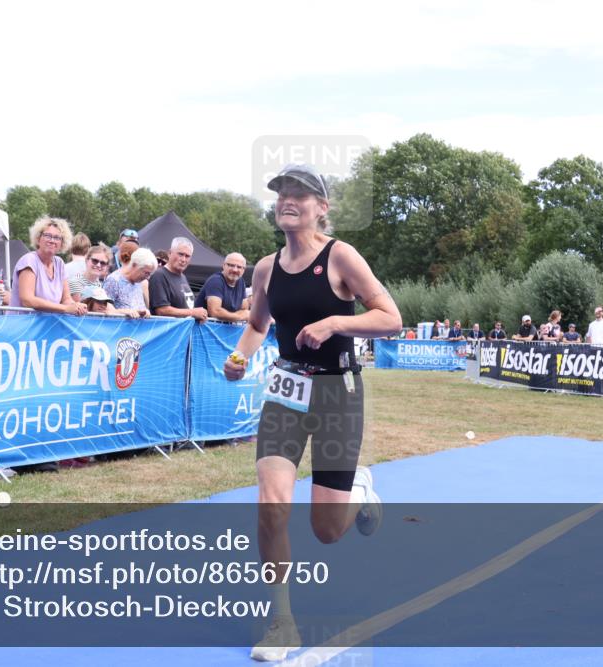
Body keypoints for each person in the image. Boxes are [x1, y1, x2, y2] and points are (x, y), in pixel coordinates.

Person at [222, 163, 401, 662]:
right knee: (271, 502)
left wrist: (333, 323)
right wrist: (239, 356)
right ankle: (282, 621)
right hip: (285, 389)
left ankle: (359, 487)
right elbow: (257, 324)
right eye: (282, 192)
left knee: (326, 530)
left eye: (301, 194)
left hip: (337, 393)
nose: (288, 200)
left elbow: (391, 317)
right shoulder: (265, 268)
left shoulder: (341, 256)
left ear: (322, 208)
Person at [10, 216, 87, 315]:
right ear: (38, 239)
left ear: (62, 243)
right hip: (23, 326)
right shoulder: (29, 261)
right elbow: (27, 300)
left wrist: (76, 306)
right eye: (47, 236)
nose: (52, 240)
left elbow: (66, 299)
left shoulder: (60, 263)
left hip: (46, 326)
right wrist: (65, 308)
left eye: (57, 238)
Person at [147, 237, 208, 321]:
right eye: (180, 254)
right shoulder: (159, 275)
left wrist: (198, 315)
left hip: (183, 331)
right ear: (169, 253)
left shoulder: (183, 277)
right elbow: (161, 311)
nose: (183, 259)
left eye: (187, 256)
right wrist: (193, 312)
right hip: (168, 331)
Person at [194, 253, 251, 322]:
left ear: (243, 270)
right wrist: (238, 317)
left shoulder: (241, 282)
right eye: (231, 265)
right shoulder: (216, 280)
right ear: (223, 265)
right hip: (205, 328)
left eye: (239, 267)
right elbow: (214, 311)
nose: (235, 270)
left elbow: (244, 309)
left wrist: (241, 315)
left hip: (224, 329)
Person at [102, 247, 156, 317]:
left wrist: (145, 311)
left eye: (150, 274)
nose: (148, 277)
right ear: (134, 265)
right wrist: (125, 312)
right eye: (146, 273)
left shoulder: (138, 282)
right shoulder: (114, 280)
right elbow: (105, 310)